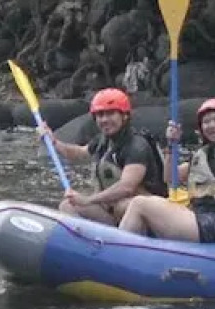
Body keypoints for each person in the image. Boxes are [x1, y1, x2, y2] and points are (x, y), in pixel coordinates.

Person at [117, 61, 215, 242]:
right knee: (139, 202)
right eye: (206, 122)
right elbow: (170, 179)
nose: (212, 126)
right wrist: (171, 146)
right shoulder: (202, 155)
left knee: (140, 204)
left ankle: (117, 252)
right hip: (201, 218)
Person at [36, 87, 167, 223]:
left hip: (143, 214)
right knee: (68, 205)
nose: (104, 119)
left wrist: (88, 200)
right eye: (100, 115)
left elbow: (127, 187)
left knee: (122, 206)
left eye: (110, 114)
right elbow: (78, 153)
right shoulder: (102, 141)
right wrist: (54, 142)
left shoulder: (137, 146)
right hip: (112, 210)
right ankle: (89, 240)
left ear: (125, 115)